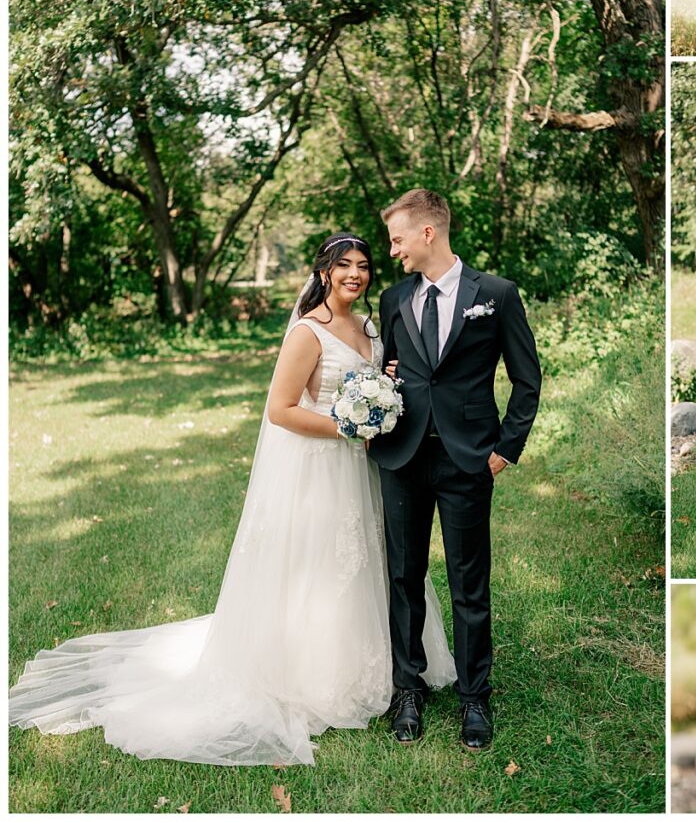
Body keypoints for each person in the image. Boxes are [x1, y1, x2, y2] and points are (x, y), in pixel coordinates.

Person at [9, 233, 455, 765]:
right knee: (322, 567)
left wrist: (382, 401)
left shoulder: (367, 327)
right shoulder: (307, 332)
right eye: (344, 267)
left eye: (362, 266)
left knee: (374, 561)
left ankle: (394, 668)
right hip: (324, 467)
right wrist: (345, 426)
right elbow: (281, 410)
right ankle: (316, 676)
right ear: (324, 272)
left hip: (366, 467)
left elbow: (383, 380)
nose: (355, 275)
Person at [370, 189, 542, 750]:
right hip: (401, 457)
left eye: (397, 239)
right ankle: (408, 689)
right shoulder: (394, 299)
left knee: (470, 583)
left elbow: (526, 379)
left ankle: (474, 699)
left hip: (468, 459)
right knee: (403, 576)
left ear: (427, 233)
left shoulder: (495, 295)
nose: (392, 251)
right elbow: (392, 372)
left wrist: (505, 449)